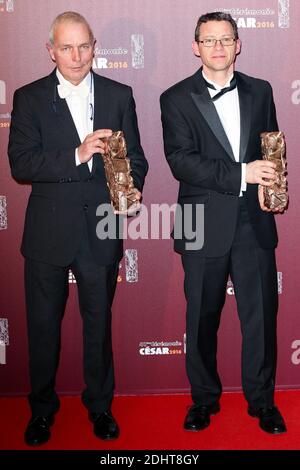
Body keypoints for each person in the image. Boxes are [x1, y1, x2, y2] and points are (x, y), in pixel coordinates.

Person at [8, 11, 148, 446]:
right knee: (43, 327)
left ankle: (100, 407)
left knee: (98, 326)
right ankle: (42, 410)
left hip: (101, 229)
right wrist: (78, 152)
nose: (76, 55)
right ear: (50, 51)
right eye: (66, 47)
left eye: (83, 46)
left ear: (94, 47)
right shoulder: (28, 97)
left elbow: (137, 158)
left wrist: (131, 187)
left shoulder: (118, 93)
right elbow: (21, 163)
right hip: (48, 235)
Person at [160, 12, 286, 434]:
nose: (218, 47)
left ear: (238, 45)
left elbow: (271, 146)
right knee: (200, 319)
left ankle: (262, 400)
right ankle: (203, 400)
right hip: (201, 220)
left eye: (226, 39)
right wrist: (242, 174)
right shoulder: (174, 97)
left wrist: (271, 185)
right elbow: (181, 162)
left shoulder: (262, 91)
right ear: (195, 46)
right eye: (209, 40)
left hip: (253, 221)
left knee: (261, 317)